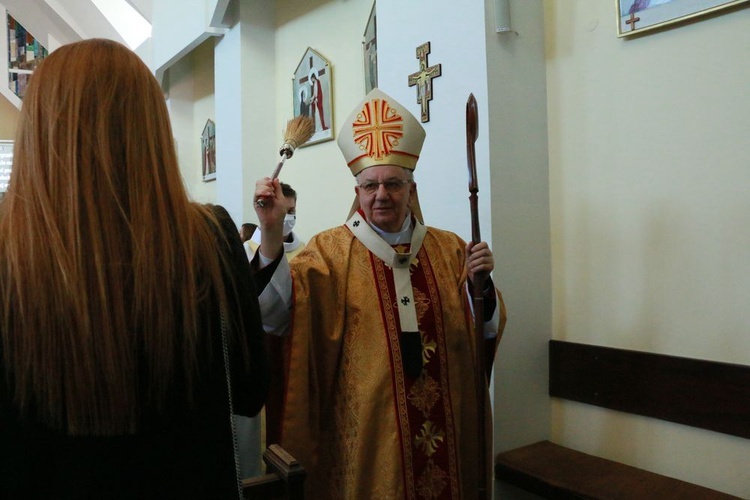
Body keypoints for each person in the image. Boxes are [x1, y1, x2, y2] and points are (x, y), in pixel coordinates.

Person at [0, 39, 269, 499]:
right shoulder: (211, 236)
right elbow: (248, 392)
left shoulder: (9, 251)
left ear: (38, 131)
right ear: (151, 131)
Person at [253, 88, 507, 499]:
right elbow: (275, 316)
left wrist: (484, 289)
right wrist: (270, 231)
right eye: (370, 186)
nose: (381, 195)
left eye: (393, 184)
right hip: (369, 448)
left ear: (411, 189)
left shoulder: (449, 250)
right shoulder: (327, 254)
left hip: (446, 432)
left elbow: (485, 332)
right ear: (357, 193)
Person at [244, 182, 305, 263]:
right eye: (280, 211)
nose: (285, 217)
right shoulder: (247, 249)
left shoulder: (303, 248)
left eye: (290, 211)